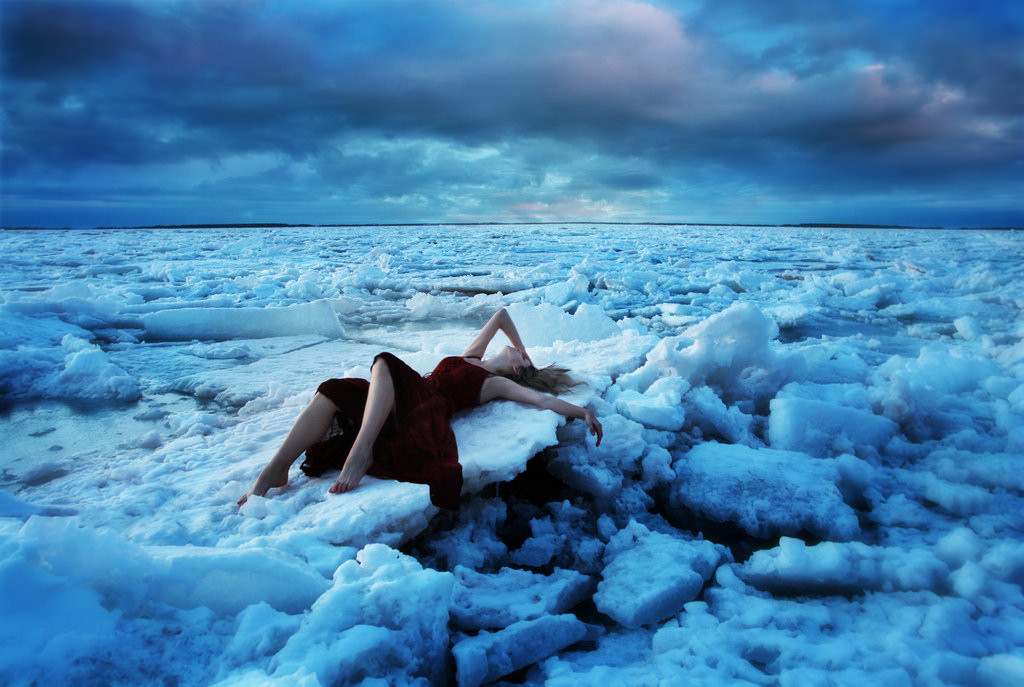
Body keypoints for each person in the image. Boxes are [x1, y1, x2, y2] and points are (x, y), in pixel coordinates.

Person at [238, 307, 602, 509]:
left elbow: (540, 399)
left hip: (422, 411)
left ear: (518, 369)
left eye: (520, 356)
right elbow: (502, 315)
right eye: (519, 350)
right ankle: (275, 470)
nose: (517, 349)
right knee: (335, 389)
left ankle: (361, 452)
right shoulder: (471, 357)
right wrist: (525, 352)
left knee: (384, 362)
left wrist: (580, 411)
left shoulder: (496, 384)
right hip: (398, 398)